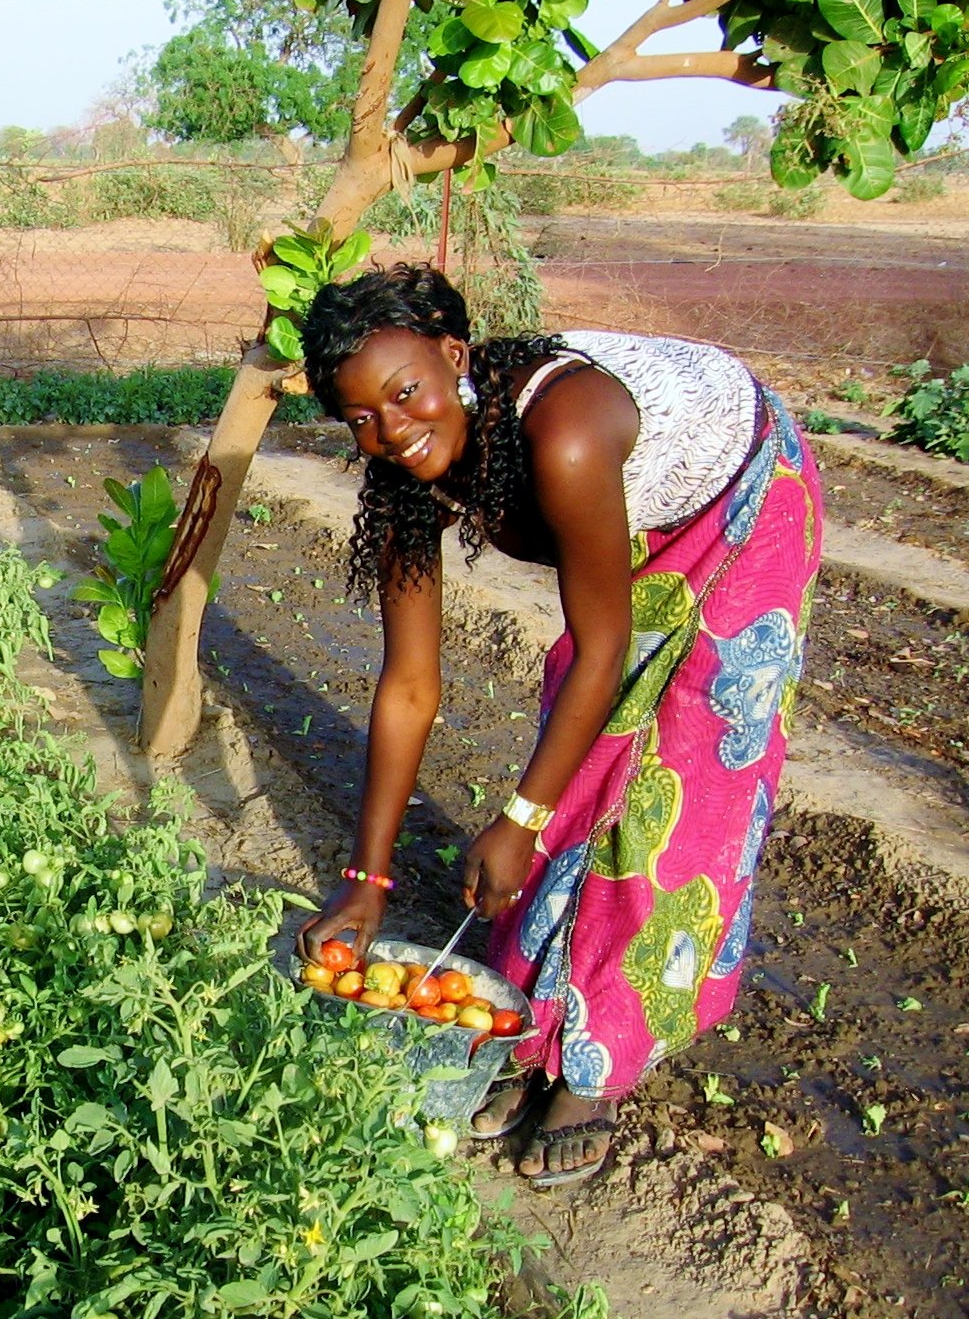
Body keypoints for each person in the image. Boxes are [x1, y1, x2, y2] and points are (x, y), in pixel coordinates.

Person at [295, 265, 821, 1187]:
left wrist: (518, 820)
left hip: (741, 489)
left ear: (453, 358)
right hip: (639, 511)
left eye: (406, 393)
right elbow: (410, 684)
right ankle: (544, 1020)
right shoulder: (405, 478)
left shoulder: (564, 432)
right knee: (580, 762)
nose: (391, 430)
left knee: (671, 771)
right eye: (360, 418)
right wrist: (365, 878)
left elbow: (600, 648)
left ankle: (595, 1064)